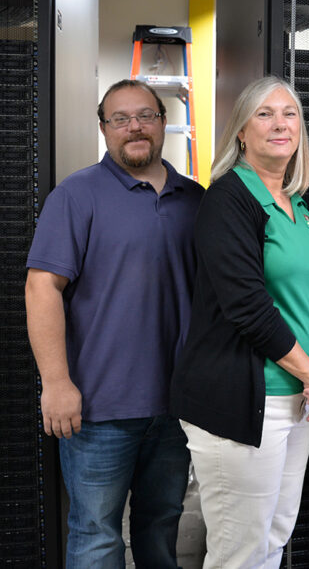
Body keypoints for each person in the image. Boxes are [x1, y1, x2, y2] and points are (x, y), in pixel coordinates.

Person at [25, 79, 204, 568]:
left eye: (145, 115)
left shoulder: (196, 199)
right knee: (96, 535)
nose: (134, 128)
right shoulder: (76, 195)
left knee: (161, 525)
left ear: (163, 122)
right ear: (104, 128)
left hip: (177, 407)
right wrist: (56, 383)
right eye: (120, 119)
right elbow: (42, 289)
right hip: (99, 408)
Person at [169, 76, 309, 568]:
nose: (280, 123)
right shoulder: (227, 200)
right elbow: (246, 305)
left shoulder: (299, 206)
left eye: (289, 113)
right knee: (238, 552)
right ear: (242, 131)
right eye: (264, 113)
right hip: (242, 400)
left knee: (273, 539)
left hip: (298, 400)